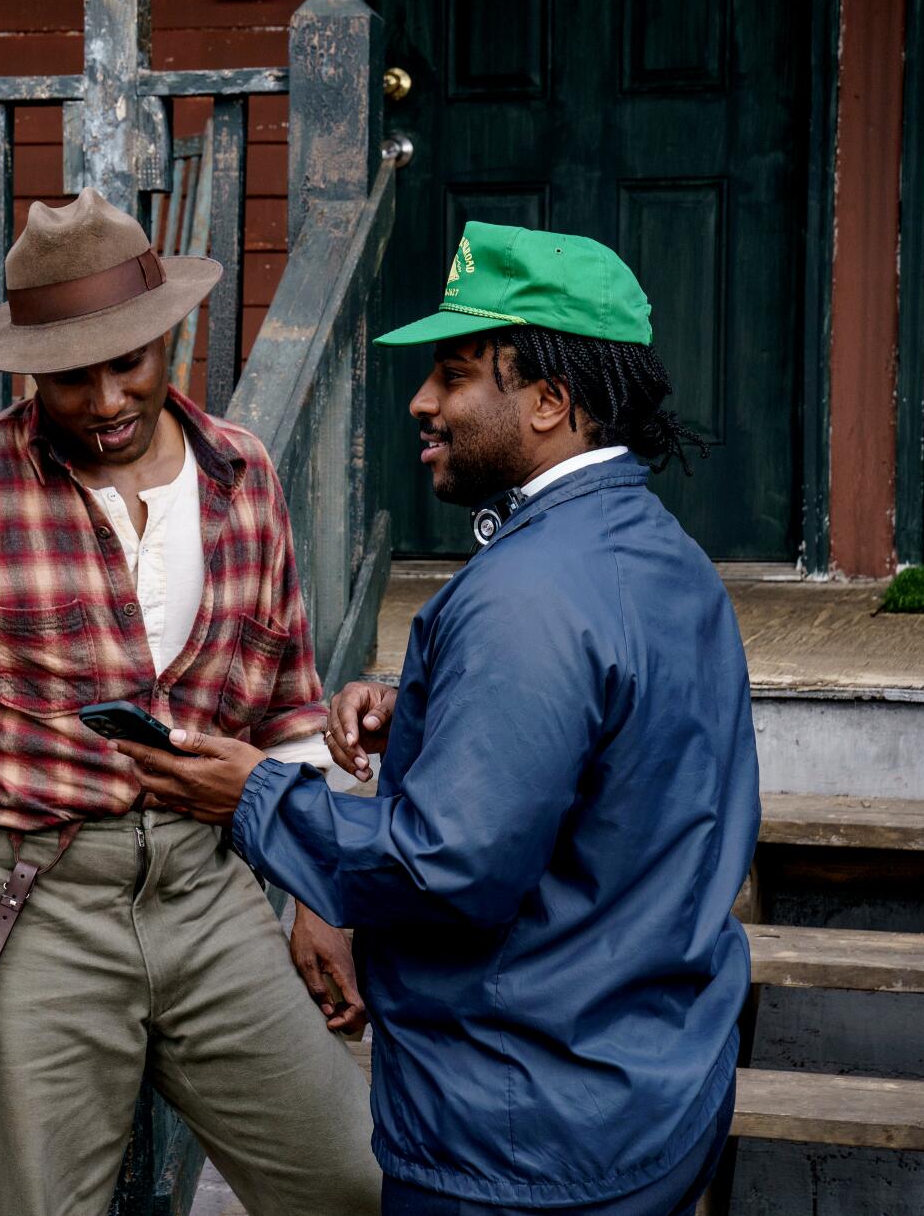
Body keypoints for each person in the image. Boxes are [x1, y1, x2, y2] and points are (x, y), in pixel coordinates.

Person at [115, 222, 761, 1215]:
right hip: (649, 1092)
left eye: (455, 375)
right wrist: (428, 710)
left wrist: (252, 793)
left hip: (519, 1135)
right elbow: (612, 766)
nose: (420, 401)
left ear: (551, 401)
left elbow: (444, 866)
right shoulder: (659, 556)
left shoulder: (527, 595)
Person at [0, 188, 384, 1216]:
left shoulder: (241, 474)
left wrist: (318, 897)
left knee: (355, 1178)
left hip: (207, 889)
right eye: (68, 375)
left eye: (125, 363)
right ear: (25, 370)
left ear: (165, 340)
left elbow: (286, 704)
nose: (102, 399)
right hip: (28, 897)